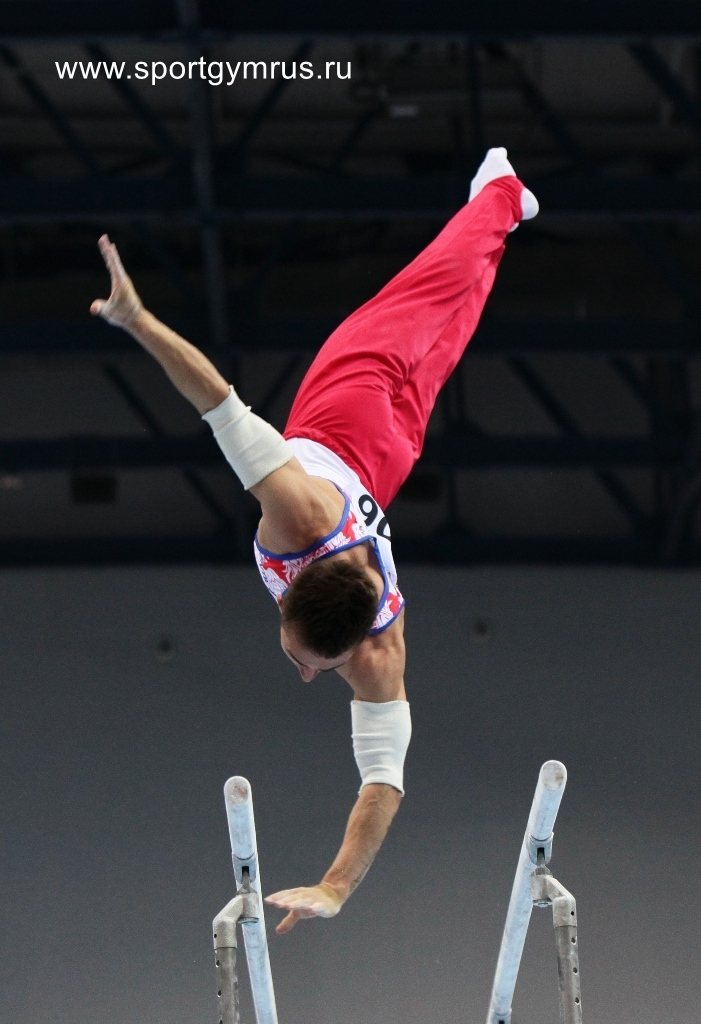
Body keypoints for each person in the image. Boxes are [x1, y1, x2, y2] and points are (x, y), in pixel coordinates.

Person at [90, 148, 538, 933]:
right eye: (312, 663)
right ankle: (497, 195)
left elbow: (383, 782)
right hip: (357, 420)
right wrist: (138, 321)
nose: (303, 674)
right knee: (441, 306)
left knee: (442, 311)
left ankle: (497, 202)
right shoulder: (302, 529)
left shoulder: (353, 614)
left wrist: (335, 887)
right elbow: (215, 400)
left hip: (370, 437)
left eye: (300, 658)